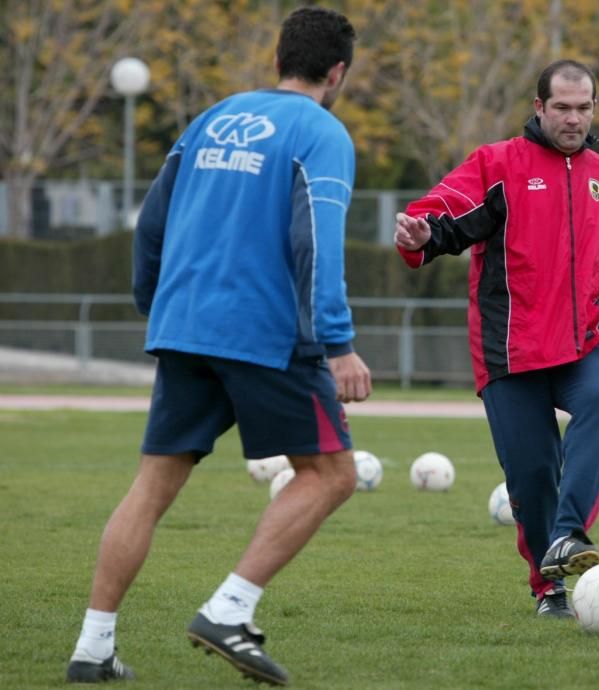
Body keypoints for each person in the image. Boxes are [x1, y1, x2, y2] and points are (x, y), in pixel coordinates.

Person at [66, 7, 370, 686]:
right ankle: (229, 610)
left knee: (150, 487)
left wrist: (158, 304)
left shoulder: (212, 119)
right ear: (338, 71)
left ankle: (93, 648)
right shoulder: (321, 132)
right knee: (331, 474)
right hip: (263, 332)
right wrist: (339, 343)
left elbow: (151, 224)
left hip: (185, 327)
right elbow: (314, 239)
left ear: (278, 60)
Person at [394, 60, 599, 619]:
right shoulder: (498, 164)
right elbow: (444, 216)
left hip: (583, 341)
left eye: (583, 108)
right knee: (531, 474)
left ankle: (570, 535)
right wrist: (419, 232)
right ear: (539, 108)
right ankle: (549, 588)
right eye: (562, 108)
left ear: (594, 109)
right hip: (511, 347)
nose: (573, 118)